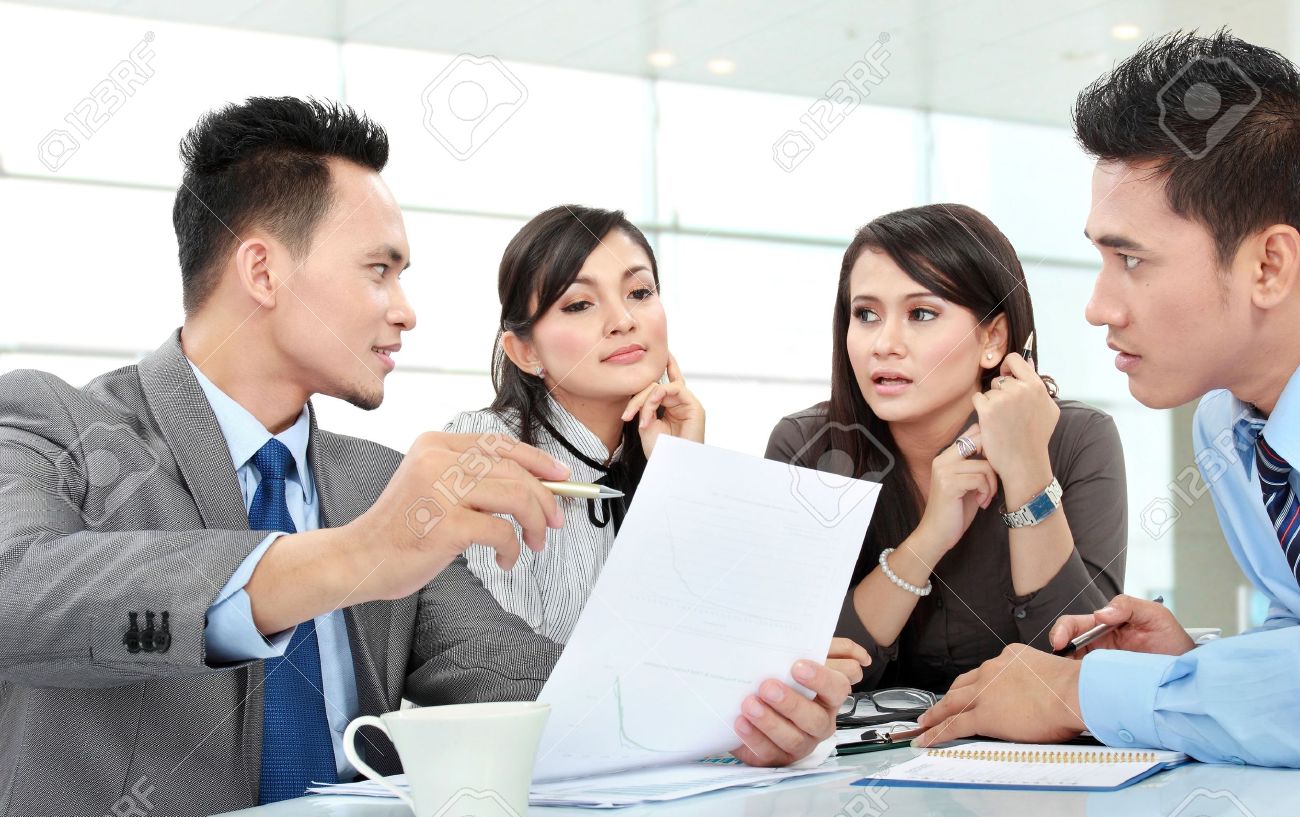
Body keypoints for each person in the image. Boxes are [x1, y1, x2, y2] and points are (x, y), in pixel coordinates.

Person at [0, 98, 850, 817]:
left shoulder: (374, 478)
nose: (406, 307)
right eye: (380, 268)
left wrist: (727, 716)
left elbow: (513, 670)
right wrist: (352, 558)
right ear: (262, 271)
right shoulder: (56, 425)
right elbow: (20, 595)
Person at [914, 30, 1300, 768]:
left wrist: (1085, 694)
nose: (1098, 307)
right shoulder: (1228, 424)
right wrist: (1183, 667)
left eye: (1131, 259)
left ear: (1268, 264)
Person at [447, 204, 871, 677]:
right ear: (525, 351)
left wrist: (683, 470)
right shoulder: (484, 448)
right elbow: (498, 665)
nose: (623, 320)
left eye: (639, 292)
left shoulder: (655, 451)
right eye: (579, 304)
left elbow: (712, 632)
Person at [766, 203, 1128, 693]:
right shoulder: (808, 448)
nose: (885, 343)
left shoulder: (1078, 439)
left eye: (920, 313)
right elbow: (807, 670)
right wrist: (928, 538)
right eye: (866, 314)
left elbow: (1079, 658)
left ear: (993, 338)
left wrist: (1026, 472)